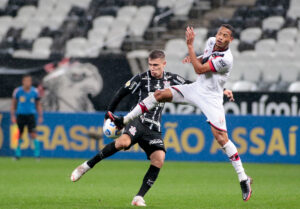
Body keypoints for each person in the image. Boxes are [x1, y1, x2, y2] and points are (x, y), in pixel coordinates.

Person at [70, 50, 234, 206]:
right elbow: (121, 92)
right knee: (123, 143)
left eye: (156, 65)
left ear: (164, 64)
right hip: (138, 121)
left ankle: (139, 197)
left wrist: (223, 90)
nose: (152, 68)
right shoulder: (141, 78)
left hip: (154, 128)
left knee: (159, 159)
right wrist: (109, 113)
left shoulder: (173, 79)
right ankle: (86, 166)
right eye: (150, 65)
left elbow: (196, 88)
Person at [108, 24, 253, 202]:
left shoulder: (227, 59)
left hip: (211, 98)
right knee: (158, 95)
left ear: (231, 40)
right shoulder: (211, 41)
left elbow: (199, 69)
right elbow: (204, 60)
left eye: (225, 35)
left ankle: (243, 178)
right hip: (196, 88)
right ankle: (125, 120)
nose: (220, 37)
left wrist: (190, 47)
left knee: (222, 139)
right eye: (219, 33)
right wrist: (195, 56)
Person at [11, 74, 43, 160]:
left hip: (31, 116)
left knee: (33, 134)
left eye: (29, 81)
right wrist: (13, 115)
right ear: (23, 82)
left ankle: (37, 155)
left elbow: (38, 104)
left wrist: (40, 116)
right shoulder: (17, 91)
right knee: (19, 135)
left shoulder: (35, 91)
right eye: (26, 81)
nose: (28, 82)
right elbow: (13, 104)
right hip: (20, 115)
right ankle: (17, 155)